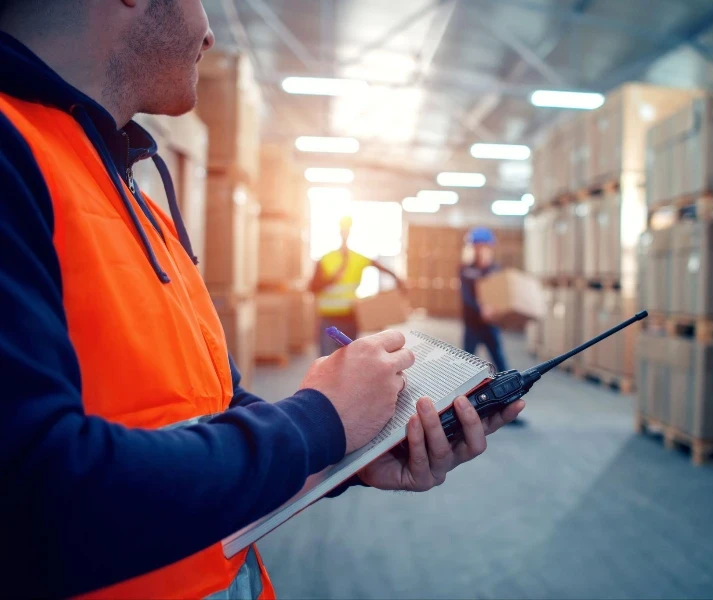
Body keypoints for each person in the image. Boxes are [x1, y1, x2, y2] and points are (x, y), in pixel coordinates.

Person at [0, 1, 525, 598]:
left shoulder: (135, 202)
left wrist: (345, 453)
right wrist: (319, 419)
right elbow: (32, 496)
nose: (210, 32)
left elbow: (206, 414)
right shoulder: (14, 158)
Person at [309, 215, 405, 356]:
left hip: (350, 317)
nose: (345, 233)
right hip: (328, 320)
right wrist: (332, 279)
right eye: (344, 230)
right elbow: (312, 287)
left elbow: (380, 267)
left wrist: (398, 280)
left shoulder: (358, 258)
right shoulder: (326, 259)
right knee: (326, 362)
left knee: (349, 361)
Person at [459, 227, 510, 373]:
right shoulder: (466, 269)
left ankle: (508, 387)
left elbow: (499, 294)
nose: (481, 250)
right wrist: (480, 308)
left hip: (490, 323)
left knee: (498, 357)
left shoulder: (495, 268)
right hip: (472, 322)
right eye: (478, 246)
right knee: (467, 359)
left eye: (485, 246)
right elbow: (466, 297)